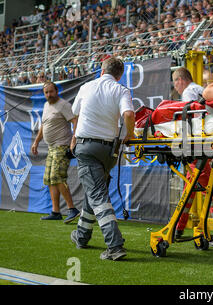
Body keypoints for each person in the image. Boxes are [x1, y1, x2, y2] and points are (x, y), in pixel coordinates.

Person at [70, 57, 135, 261]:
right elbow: (129, 114)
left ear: (102, 70)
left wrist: (74, 137)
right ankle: (81, 236)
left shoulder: (87, 87)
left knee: (97, 195)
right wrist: (130, 134)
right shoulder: (121, 90)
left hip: (86, 147)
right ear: (119, 75)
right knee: (95, 191)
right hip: (109, 151)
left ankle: (114, 245)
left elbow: (75, 113)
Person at [172, 67, 213, 248]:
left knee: (207, 188)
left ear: (180, 80)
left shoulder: (188, 92)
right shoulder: (199, 89)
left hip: (196, 145)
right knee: (190, 185)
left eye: (175, 82)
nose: (175, 87)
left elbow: (189, 117)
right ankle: (178, 227)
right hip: (206, 141)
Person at [31, 81, 80, 223]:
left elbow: (75, 121)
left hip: (62, 146)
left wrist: (73, 140)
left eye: (51, 91)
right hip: (51, 147)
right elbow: (44, 125)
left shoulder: (64, 105)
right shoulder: (47, 105)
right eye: (46, 92)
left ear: (56, 91)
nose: (49, 95)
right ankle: (55, 211)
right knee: (49, 179)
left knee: (57, 177)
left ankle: (72, 209)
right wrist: (36, 141)